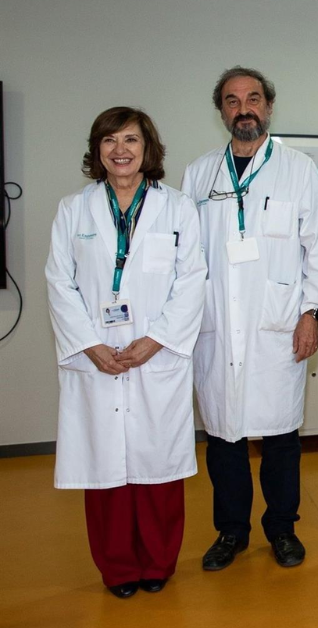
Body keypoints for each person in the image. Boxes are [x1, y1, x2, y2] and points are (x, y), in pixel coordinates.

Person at [46, 107, 206, 598]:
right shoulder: (74, 210)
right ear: (97, 150)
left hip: (155, 355)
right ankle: (117, 569)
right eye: (110, 140)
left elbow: (191, 279)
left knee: (157, 464)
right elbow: (59, 281)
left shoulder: (177, 207)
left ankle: (158, 562)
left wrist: (155, 340)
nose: (121, 150)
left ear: (147, 148)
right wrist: (90, 345)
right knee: (105, 468)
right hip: (96, 358)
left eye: (131, 140)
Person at [182, 66, 318, 571]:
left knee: (280, 436)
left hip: (278, 325)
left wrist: (311, 313)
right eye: (231, 100)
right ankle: (231, 531)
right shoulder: (200, 174)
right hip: (217, 326)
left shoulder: (297, 169)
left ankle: (281, 528)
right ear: (221, 110)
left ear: (268, 106)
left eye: (252, 98)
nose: (243, 108)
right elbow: (187, 257)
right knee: (224, 437)